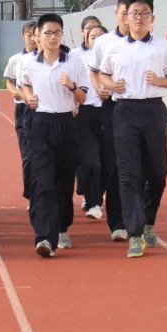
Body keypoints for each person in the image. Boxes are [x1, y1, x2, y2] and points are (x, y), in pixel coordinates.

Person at [98, 0, 167, 258]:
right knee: (128, 172)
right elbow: (103, 74)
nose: (139, 18)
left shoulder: (162, 46)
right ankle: (134, 233)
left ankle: (147, 221)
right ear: (126, 17)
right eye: (134, 13)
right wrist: (111, 85)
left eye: (145, 14)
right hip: (124, 111)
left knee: (158, 172)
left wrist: (159, 80)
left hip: (153, 110)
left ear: (152, 18)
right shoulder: (114, 47)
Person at [19, 13, 90, 258]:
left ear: (62, 35)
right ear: (37, 36)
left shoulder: (74, 62)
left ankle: (62, 228)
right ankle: (44, 237)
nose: (52, 37)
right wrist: (29, 96)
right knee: (43, 180)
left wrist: (71, 85)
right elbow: (24, 83)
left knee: (64, 180)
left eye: (57, 32)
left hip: (66, 122)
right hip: (40, 123)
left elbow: (83, 97)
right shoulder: (28, 63)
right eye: (47, 33)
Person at [88, 0, 137, 242]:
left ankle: (138, 218)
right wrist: (100, 88)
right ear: (118, 14)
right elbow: (94, 72)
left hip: (141, 110)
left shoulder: (148, 43)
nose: (130, 17)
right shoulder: (104, 42)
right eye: (125, 12)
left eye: (135, 12)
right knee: (116, 164)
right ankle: (117, 221)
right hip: (113, 108)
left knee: (141, 166)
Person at [69, 19, 108, 221]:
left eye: (101, 37)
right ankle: (93, 202)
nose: (97, 40)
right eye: (93, 36)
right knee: (90, 161)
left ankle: (96, 196)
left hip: (108, 113)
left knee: (105, 161)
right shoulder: (75, 56)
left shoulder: (113, 55)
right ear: (85, 36)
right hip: (84, 113)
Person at [3, 21, 38, 206]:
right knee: (27, 155)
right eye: (29, 34)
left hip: (42, 109)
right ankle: (31, 194)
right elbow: (9, 80)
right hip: (23, 110)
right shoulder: (16, 59)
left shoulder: (45, 58)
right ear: (22, 36)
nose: (32, 38)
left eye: (35, 34)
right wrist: (13, 91)